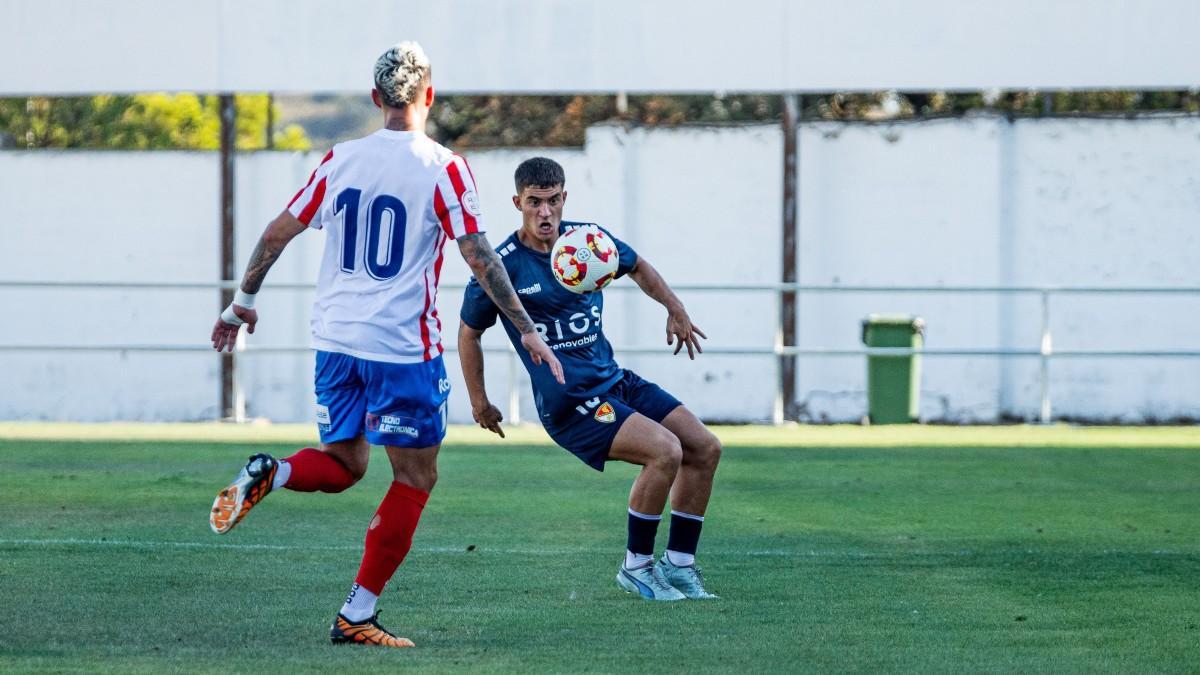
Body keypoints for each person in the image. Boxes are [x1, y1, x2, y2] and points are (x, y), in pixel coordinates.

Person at [207, 42, 563, 647]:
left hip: (335, 342)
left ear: (376, 99)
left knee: (346, 465)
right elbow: (476, 252)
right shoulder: (443, 166)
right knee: (415, 477)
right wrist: (526, 326)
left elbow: (277, 232)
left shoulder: (340, 159)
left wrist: (241, 304)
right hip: (401, 349)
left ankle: (277, 471)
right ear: (430, 94)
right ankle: (357, 614)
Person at [458, 157, 722, 601]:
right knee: (665, 452)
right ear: (517, 203)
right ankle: (636, 568)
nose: (545, 212)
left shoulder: (588, 243)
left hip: (613, 381)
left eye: (553, 200)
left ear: (565, 198)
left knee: (704, 447)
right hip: (569, 402)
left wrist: (674, 307)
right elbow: (469, 333)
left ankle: (679, 567)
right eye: (534, 202)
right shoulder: (501, 267)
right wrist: (479, 401)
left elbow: (635, 264)